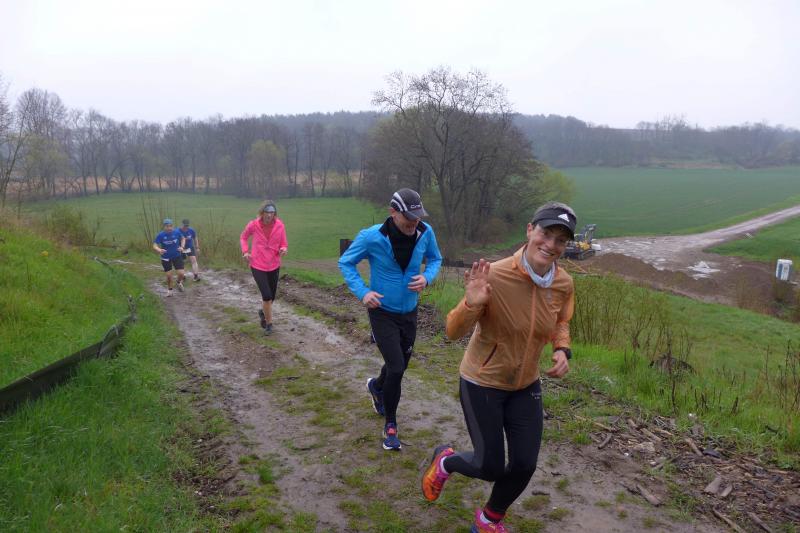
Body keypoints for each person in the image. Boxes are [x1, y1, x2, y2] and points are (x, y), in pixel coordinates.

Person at [421, 202, 577, 533]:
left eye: (561, 240)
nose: (551, 245)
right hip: (482, 382)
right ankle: (446, 461)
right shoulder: (494, 274)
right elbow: (452, 332)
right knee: (489, 466)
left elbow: (561, 319)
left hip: (526, 384)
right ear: (530, 230)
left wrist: (562, 349)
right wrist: (471, 304)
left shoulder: (563, 283)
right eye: (546, 234)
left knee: (524, 464)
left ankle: (489, 519)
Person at [339, 188, 442, 451]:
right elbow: (346, 262)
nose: (414, 222)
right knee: (396, 368)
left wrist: (427, 277)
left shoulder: (425, 232)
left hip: (410, 312)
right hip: (382, 311)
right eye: (409, 217)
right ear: (393, 212)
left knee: (400, 365)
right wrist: (363, 292)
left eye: (418, 217)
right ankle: (391, 426)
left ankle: (376, 386)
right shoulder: (372, 237)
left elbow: (436, 259)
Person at [240, 200, 288, 335]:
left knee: (272, 297)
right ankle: (269, 324)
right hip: (257, 264)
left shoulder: (280, 225)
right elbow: (243, 237)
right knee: (266, 296)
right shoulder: (253, 224)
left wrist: (283, 249)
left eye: (272, 212)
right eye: (267, 212)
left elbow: (284, 243)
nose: (269, 215)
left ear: (275, 213)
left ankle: (263, 312)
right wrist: (245, 251)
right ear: (262, 212)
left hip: (274, 264)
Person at [153, 218, 186, 297]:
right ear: (164, 226)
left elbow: (183, 238)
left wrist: (182, 247)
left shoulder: (177, 232)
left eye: (170, 226)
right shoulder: (161, 235)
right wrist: (159, 250)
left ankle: (178, 282)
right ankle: (170, 290)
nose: (169, 228)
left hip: (177, 256)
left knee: (181, 273)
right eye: (167, 226)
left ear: (172, 226)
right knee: (168, 276)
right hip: (166, 258)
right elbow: (154, 245)